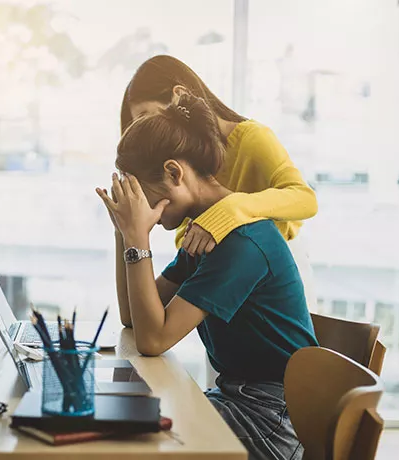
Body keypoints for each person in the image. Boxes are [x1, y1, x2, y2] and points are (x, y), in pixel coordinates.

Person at [96, 93, 318, 460]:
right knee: (122, 425)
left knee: (131, 443)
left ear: (173, 172)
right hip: (238, 398)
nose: (141, 206)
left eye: (142, 194)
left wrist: (138, 238)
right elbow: (133, 319)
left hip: (270, 420)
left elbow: (154, 339)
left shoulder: (240, 242)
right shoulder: (206, 231)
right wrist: (124, 231)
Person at [119, 55, 319, 316]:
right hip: (222, 275)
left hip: (272, 283)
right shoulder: (183, 169)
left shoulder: (251, 138)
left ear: (179, 96)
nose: (145, 131)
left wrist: (230, 209)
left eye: (146, 117)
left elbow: (305, 198)